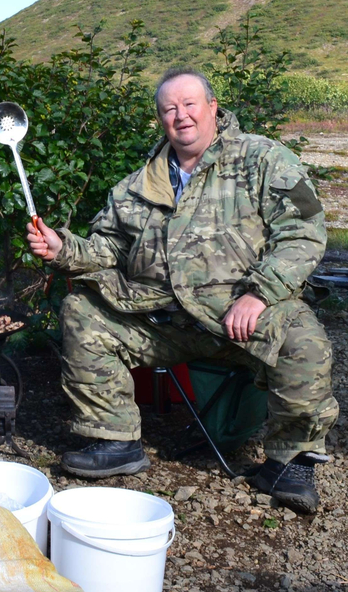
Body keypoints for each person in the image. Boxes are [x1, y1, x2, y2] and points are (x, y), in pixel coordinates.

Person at [26, 67, 339, 514]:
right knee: (83, 310)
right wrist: (62, 247)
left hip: (243, 315)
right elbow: (108, 248)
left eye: (190, 104)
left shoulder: (263, 159)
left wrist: (261, 293)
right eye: (170, 108)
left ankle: (291, 461)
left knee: (304, 341)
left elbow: (303, 233)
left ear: (213, 107)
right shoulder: (138, 185)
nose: (181, 116)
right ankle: (113, 439)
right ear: (161, 119)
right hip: (162, 320)